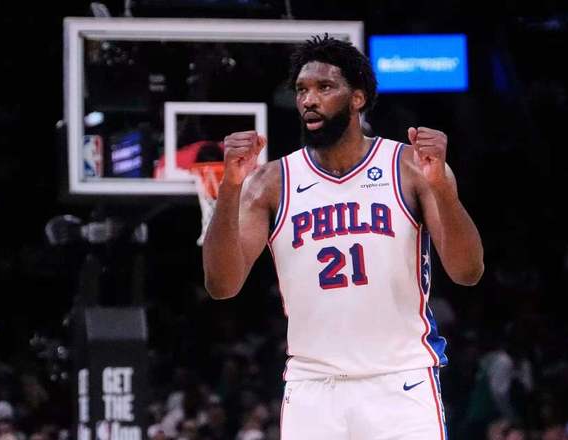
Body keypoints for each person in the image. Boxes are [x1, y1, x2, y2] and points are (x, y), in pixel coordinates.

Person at [203, 34, 484, 439]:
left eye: (324, 87)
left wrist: (442, 188)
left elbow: (468, 271)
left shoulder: (410, 167)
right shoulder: (269, 182)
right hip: (313, 386)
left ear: (357, 98)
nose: (309, 100)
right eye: (302, 90)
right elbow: (222, 285)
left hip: (401, 380)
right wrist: (229, 188)